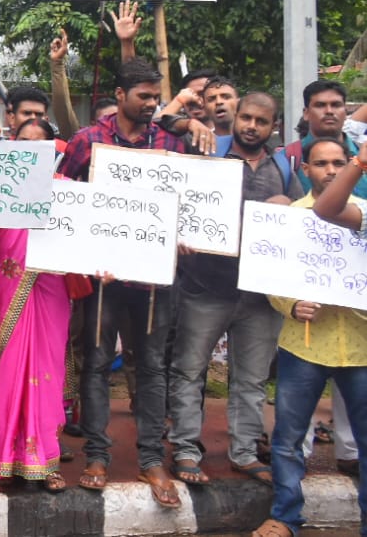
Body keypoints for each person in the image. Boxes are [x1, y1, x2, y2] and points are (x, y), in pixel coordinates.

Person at [59, 59, 187, 506]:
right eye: (143, 96)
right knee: (95, 364)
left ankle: (152, 458)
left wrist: (184, 235)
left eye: (156, 97)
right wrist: (84, 254)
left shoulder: (172, 143)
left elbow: (187, 205)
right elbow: (64, 199)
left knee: (151, 367)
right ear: (119, 95)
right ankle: (97, 455)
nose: (152, 104)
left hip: (154, 283)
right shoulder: (87, 140)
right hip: (104, 280)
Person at [168, 92, 301, 488]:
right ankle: (186, 447)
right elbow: (162, 123)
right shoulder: (208, 151)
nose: (251, 126)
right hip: (204, 286)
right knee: (189, 370)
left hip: (261, 295)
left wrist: (289, 207)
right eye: (246, 118)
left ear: (273, 126)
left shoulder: (283, 167)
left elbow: (305, 218)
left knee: (252, 378)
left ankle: (244, 452)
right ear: (236, 116)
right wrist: (179, 232)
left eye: (261, 121)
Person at [263, 138, 367, 537]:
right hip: (302, 346)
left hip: (360, 347)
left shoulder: (363, 214)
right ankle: (285, 517)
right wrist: (291, 305)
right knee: (288, 438)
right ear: (305, 170)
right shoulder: (289, 218)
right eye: (321, 163)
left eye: (339, 162)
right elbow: (271, 278)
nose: (331, 170)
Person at [0, 118, 72, 489]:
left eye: (39, 144)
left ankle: (47, 461)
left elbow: (84, 242)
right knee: (11, 373)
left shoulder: (67, 191)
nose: (29, 150)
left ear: (51, 149)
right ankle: (9, 458)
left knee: (47, 372)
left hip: (51, 291)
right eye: (22, 142)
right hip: (7, 290)